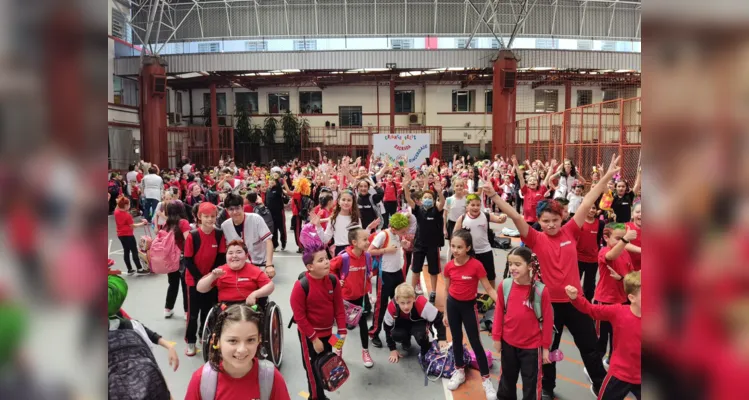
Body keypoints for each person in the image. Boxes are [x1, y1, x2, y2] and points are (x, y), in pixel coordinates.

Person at [483, 154, 622, 398]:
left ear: (563, 219)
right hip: (548, 305)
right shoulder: (535, 239)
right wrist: (494, 196)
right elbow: (516, 217)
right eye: (545, 221)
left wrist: (606, 178)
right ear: (539, 221)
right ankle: (547, 388)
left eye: (555, 220)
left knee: (589, 347)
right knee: (548, 350)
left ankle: (602, 387)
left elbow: (588, 201)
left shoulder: (571, 231)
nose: (550, 224)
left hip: (576, 302)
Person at [185, 304, 291, 400]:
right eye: (233, 341)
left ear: (259, 339)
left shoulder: (271, 378)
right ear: (217, 340)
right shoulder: (202, 380)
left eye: (250, 340)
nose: (242, 349)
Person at [564, 271, 641, 400]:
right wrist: (575, 298)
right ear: (632, 298)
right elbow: (591, 310)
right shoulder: (618, 312)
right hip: (619, 374)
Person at [443, 229, 498, 397]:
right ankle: (459, 370)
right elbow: (446, 290)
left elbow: (488, 288)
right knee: (456, 339)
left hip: (468, 307)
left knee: (476, 343)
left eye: (459, 247)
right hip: (453, 306)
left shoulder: (476, 265)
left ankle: (486, 380)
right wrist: (445, 313)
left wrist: (503, 306)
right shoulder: (449, 266)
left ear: (468, 248)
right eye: (453, 246)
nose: (455, 250)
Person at [493, 247, 553, 400]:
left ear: (530, 266)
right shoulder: (505, 286)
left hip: (532, 348)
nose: (513, 267)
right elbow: (499, 311)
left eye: (518, 264)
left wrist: (545, 348)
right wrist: (496, 337)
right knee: (507, 380)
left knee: (531, 385)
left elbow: (547, 321)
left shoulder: (541, 291)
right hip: (508, 344)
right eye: (510, 264)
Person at [290, 239, 347, 400]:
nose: (326, 262)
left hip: (329, 334)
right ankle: (315, 398)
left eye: (326, 258)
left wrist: (341, 332)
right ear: (310, 267)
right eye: (320, 260)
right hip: (309, 336)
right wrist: (314, 339)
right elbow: (300, 318)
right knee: (312, 370)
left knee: (326, 367)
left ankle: (320, 395)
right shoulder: (301, 286)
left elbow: (339, 308)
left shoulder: (333, 281)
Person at [183, 202, 226, 357]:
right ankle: (190, 341)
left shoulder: (219, 234)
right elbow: (188, 260)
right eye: (206, 216)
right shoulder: (192, 236)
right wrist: (201, 279)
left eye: (213, 216)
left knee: (208, 310)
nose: (209, 219)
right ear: (199, 217)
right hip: (193, 280)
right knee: (193, 313)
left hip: (212, 279)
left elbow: (221, 257)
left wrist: (211, 277)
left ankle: (203, 334)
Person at [329, 228, 375, 368]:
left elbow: (369, 271)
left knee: (363, 325)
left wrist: (370, 275)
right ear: (354, 242)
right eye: (365, 239)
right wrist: (337, 280)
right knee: (341, 328)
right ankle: (337, 349)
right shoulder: (344, 257)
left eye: (368, 239)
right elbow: (330, 269)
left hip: (361, 298)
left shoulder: (367, 256)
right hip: (345, 300)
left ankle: (365, 352)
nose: (368, 242)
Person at [367, 213, 412, 348]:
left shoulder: (398, 234)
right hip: (385, 275)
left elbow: (399, 246)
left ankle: (400, 333)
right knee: (381, 306)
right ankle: (374, 333)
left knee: (400, 304)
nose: (404, 233)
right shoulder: (383, 235)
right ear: (393, 228)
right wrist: (386, 250)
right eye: (402, 231)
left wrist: (403, 243)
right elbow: (369, 251)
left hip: (397, 272)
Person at [595, 223, 636, 368]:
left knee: (618, 334)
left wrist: (622, 278)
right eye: (618, 238)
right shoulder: (604, 251)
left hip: (622, 300)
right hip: (605, 301)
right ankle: (594, 365)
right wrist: (625, 240)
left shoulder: (625, 253)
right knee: (601, 337)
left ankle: (612, 360)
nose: (622, 242)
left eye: (624, 239)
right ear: (606, 238)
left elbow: (629, 276)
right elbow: (610, 255)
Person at [402, 171, 445, 304]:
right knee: (415, 269)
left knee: (433, 271)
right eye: (425, 197)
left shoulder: (436, 210)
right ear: (421, 200)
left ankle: (433, 292)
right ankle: (412, 290)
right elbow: (409, 200)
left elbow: (442, 203)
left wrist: (439, 192)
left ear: (433, 200)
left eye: (430, 198)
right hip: (419, 244)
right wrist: (405, 187)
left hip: (433, 245)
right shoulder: (418, 209)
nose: (427, 199)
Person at [196, 240, 275, 307]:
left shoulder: (254, 270)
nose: (234, 256)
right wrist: (212, 277)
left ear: (246, 256)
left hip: (248, 307)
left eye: (239, 252)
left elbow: (270, 286)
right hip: (225, 308)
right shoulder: (219, 271)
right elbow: (200, 288)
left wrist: (254, 294)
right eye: (230, 253)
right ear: (226, 256)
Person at [453, 193, 508, 288]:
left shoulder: (486, 216)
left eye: (478, 205)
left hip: (485, 250)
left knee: (490, 277)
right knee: (469, 277)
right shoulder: (462, 218)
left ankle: (492, 298)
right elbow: (455, 236)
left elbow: (500, 220)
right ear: (467, 206)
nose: (475, 207)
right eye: (473, 205)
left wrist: (503, 217)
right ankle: (469, 295)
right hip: (469, 253)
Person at [220, 194, 276, 279]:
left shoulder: (256, 219)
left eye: (237, 208)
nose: (235, 212)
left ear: (243, 207)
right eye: (231, 209)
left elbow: (268, 241)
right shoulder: (225, 226)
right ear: (226, 210)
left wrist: (269, 264)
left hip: (261, 265)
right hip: (240, 268)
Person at [162, 201, 191, 319]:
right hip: (183, 257)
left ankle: (168, 308)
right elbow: (188, 241)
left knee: (172, 284)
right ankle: (186, 311)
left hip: (170, 258)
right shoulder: (183, 223)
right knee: (185, 285)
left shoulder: (166, 224)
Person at [313, 189, 363, 256]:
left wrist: (368, 229)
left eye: (349, 200)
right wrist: (318, 226)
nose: (346, 202)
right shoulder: (333, 219)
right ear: (338, 201)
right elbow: (325, 239)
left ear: (353, 202)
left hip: (354, 251)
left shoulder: (356, 219)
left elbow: (361, 238)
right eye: (343, 199)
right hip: (340, 252)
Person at [114, 196, 148, 275]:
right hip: (128, 235)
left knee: (126, 251)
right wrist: (143, 223)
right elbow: (133, 226)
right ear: (125, 206)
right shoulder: (127, 215)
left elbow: (117, 206)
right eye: (129, 204)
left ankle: (129, 269)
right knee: (134, 251)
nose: (129, 206)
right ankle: (139, 268)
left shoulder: (116, 212)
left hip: (120, 235)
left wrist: (119, 201)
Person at [577, 204, 604, 302]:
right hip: (577, 258)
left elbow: (602, 239)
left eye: (594, 208)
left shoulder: (600, 224)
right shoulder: (578, 222)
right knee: (575, 282)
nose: (591, 210)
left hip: (592, 259)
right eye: (589, 207)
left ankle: (587, 305)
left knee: (589, 285)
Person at [512, 156, 547, 225]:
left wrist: (551, 168)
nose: (532, 181)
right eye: (530, 180)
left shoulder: (541, 190)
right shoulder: (526, 190)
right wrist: (516, 165)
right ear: (527, 184)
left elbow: (547, 178)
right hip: (527, 220)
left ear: (537, 183)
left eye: (534, 180)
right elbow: (521, 177)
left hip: (539, 220)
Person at [266, 170, 290, 251]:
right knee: (274, 230)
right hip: (271, 214)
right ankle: (275, 245)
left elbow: (279, 184)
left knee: (282, 229)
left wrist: (277, 177)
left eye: (273, 181)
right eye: (270, 181)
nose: (272, 182)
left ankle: (283, 242)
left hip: (279, 212)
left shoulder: (278, 188)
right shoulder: (268, 190)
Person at [444, 178, 468, 243]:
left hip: (462, 225)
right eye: (457, 185)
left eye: (461, 185)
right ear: (454, 187)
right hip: (451, 224)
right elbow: (445, 215)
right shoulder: (449, 200)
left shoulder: (466, 200)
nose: (459, 187)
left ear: (463, 187)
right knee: (451, 243)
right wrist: (444, 228)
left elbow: (467, 214)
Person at [624, 201, 642, 271]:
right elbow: (623, 244)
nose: (641, 214)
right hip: (628, 268)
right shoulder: (626, 227)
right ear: (632, 214)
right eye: (637, 212)